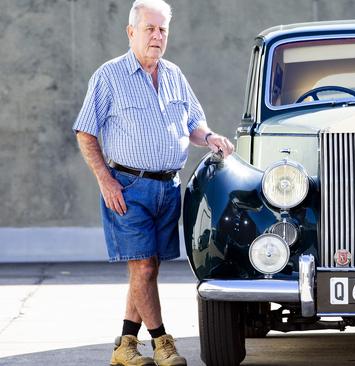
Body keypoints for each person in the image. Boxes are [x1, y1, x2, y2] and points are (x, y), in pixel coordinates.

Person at [73, 0, 234, 365]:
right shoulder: (109, 76)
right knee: (143, 268)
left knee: (146, 267)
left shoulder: (175, 74)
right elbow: (85, 132)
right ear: (131, 32)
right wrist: (105, 180)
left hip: (167, 188)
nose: (157, 36)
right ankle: (163, 343)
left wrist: (210, 138)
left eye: (162, 29)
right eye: (149, 28)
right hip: (128, 188)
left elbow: (193, 123)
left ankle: (125, 346)